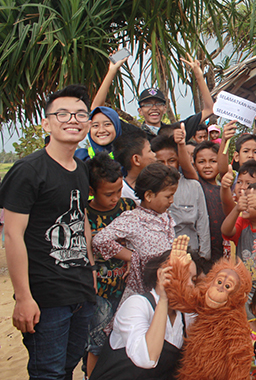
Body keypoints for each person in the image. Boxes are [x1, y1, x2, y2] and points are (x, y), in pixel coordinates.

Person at [1, 85, 97, 380]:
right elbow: (13, 236)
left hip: (80, 290)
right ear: (46, 123)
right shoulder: (28, 170)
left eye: (81, 114)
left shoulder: (81, 168)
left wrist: (91, 268)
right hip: (45, 295)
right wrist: (23, 297)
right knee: (48, 373)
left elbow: (81, 219)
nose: (73, 119)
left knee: (67, 369)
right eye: (63, 114)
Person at [90, 245, 196, 380]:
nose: (191, 285)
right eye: (185, 276)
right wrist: (164, 299)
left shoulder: (184, 318)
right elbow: (147, 359)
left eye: (194, 279)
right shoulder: (136, 304)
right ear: (161, 275)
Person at [92, 162, 179, 304]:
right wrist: (132, 257)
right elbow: (100, 240)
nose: (172, 201)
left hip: (164, 288)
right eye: (168, 196)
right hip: (141, 294)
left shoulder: (164, 216)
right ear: (149, 195)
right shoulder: (133, 219)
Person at [84, 153, 137, 376]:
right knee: (96, 340)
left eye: (118, 191)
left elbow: (138, 239)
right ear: (91, 191)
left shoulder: (128, 207)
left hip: (127, 288)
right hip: (99, 292)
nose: (115, 198)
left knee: (124, 339)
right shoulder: (85, 214)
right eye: (108, 194)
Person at [91, 54, 213, 141]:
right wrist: (112, 71)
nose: (154, 108)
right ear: (140, 111)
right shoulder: (132, 132)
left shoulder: (176, 130)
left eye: (158, 104)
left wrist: (199, 76)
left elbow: (209, 109)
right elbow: (96, 109)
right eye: (148, 105)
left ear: (165, 109)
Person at [151, 133, 210, 260]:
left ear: (179, 160)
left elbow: (203, 225)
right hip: (159, 259)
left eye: (171, 161)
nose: (166, 166)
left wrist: (204, 260)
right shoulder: (149, 191)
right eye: (160, 162)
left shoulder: (194, 187)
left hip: (190, 256)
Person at [112, 131, 157, 204]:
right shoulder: (122, 193)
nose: (154, 154)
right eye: (149, 151)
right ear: (136, 159)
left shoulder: (158, 182)